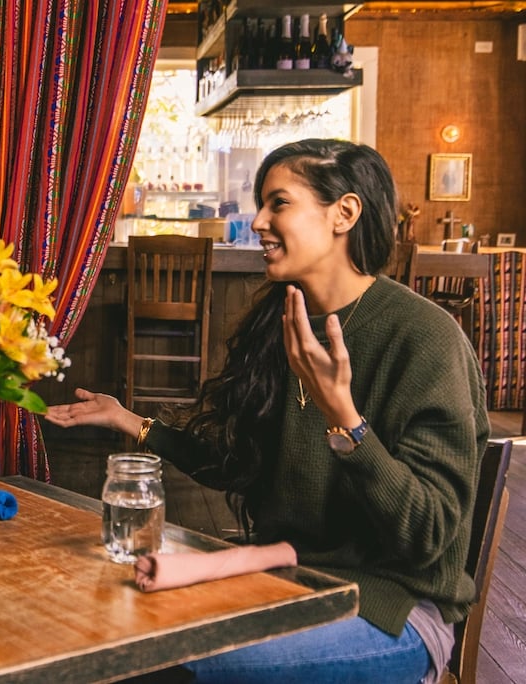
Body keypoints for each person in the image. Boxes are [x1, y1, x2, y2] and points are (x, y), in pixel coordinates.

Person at [46, 139, 489, 683]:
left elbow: (428, 534)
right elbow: (240, 463)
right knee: (109, 628)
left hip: (389, 608)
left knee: (161, 666)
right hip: (285, 575)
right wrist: (133, 423)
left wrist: (345, 418)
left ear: (343, 213)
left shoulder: (424, 338)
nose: (256, 221)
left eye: (278, 203)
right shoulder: (278, 324)